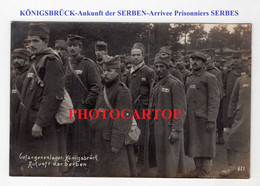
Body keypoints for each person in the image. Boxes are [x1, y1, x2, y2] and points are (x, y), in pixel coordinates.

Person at [16, 23, 65, 176]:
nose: (31, 44)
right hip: (28, 120)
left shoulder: (50, 60)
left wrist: (40, 122)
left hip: (40, 123)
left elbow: (53, 95)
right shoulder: (36, 60)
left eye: (35, 41)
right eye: (28, 41)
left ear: (46, 42)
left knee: (44, 169)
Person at [65, 34, 101, 175]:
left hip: (82, 109)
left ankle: (83, 170)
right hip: (67, 109)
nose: (72, 48)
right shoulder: (66, 65)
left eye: (75, 46)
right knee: (68, 138)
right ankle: (68, 168)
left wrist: (85, 106)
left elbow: (96, 88)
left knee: (83, 141)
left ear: (80, 48)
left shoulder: (88, 64)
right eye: (70, 45)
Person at [91, 56, 132, 176]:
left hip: (111, 139)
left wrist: (117, 142)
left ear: (118, 72)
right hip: (100, 136)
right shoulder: (105, 88)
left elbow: (123, 119)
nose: (105, 74)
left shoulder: (122, 91)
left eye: (109, 71)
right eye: (104, 70)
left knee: (115, 172)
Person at [147, 54, 187, 177]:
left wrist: (176, 129)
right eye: (156, 66)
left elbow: (180, 109)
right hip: (157, 126)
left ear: (167, 67)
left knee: (171, 159)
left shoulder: (174, 84)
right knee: (160, 156)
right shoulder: (155, 83)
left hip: (169, 127)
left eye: (162, 66)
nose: (158, 69)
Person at [184, 52, 220, 177]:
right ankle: (197, 168)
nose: (194, 62)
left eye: (198, 60)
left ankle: (205, 171)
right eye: (192, 59)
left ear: (204, 63)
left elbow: (214, 100)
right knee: (194, 144)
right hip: (191, 118)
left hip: (203, 118)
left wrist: (211, 119)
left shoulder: (209, 77)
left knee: (206, 145)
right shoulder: (189, 77)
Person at [125, 42, 155, 174]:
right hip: (131, 108)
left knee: (142, 136)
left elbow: (154, 92)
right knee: (131, 134)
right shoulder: (129, 72)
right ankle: (132, 162)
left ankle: (142, 164)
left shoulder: (148, 72)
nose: (135, 57)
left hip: (143, 109)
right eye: (133, 55)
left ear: (143, 56)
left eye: (138, 55)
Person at [220, 62, 251, 177]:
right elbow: (233, 100)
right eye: (250, 64)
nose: (251, 66)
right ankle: (231, 166)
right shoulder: (241, 80)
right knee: (231, 140)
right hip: (241, 117)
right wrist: (229, 117)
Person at [10, 48, 30, 175]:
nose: (16, 61)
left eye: (19, 58)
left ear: (27, 60)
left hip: (23, 115)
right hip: (12, 114)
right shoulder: (14, 74)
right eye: (14, 58)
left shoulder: (28, 75)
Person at [204, 53, 225, 144]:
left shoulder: (216, 72)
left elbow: (220, 88)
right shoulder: (202, 71)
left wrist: (218, 100)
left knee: (218, 118)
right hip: (205, 99)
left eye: (208, 56)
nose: (207, 59)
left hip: (215, 98)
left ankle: (220, 135)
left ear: (212, 60)